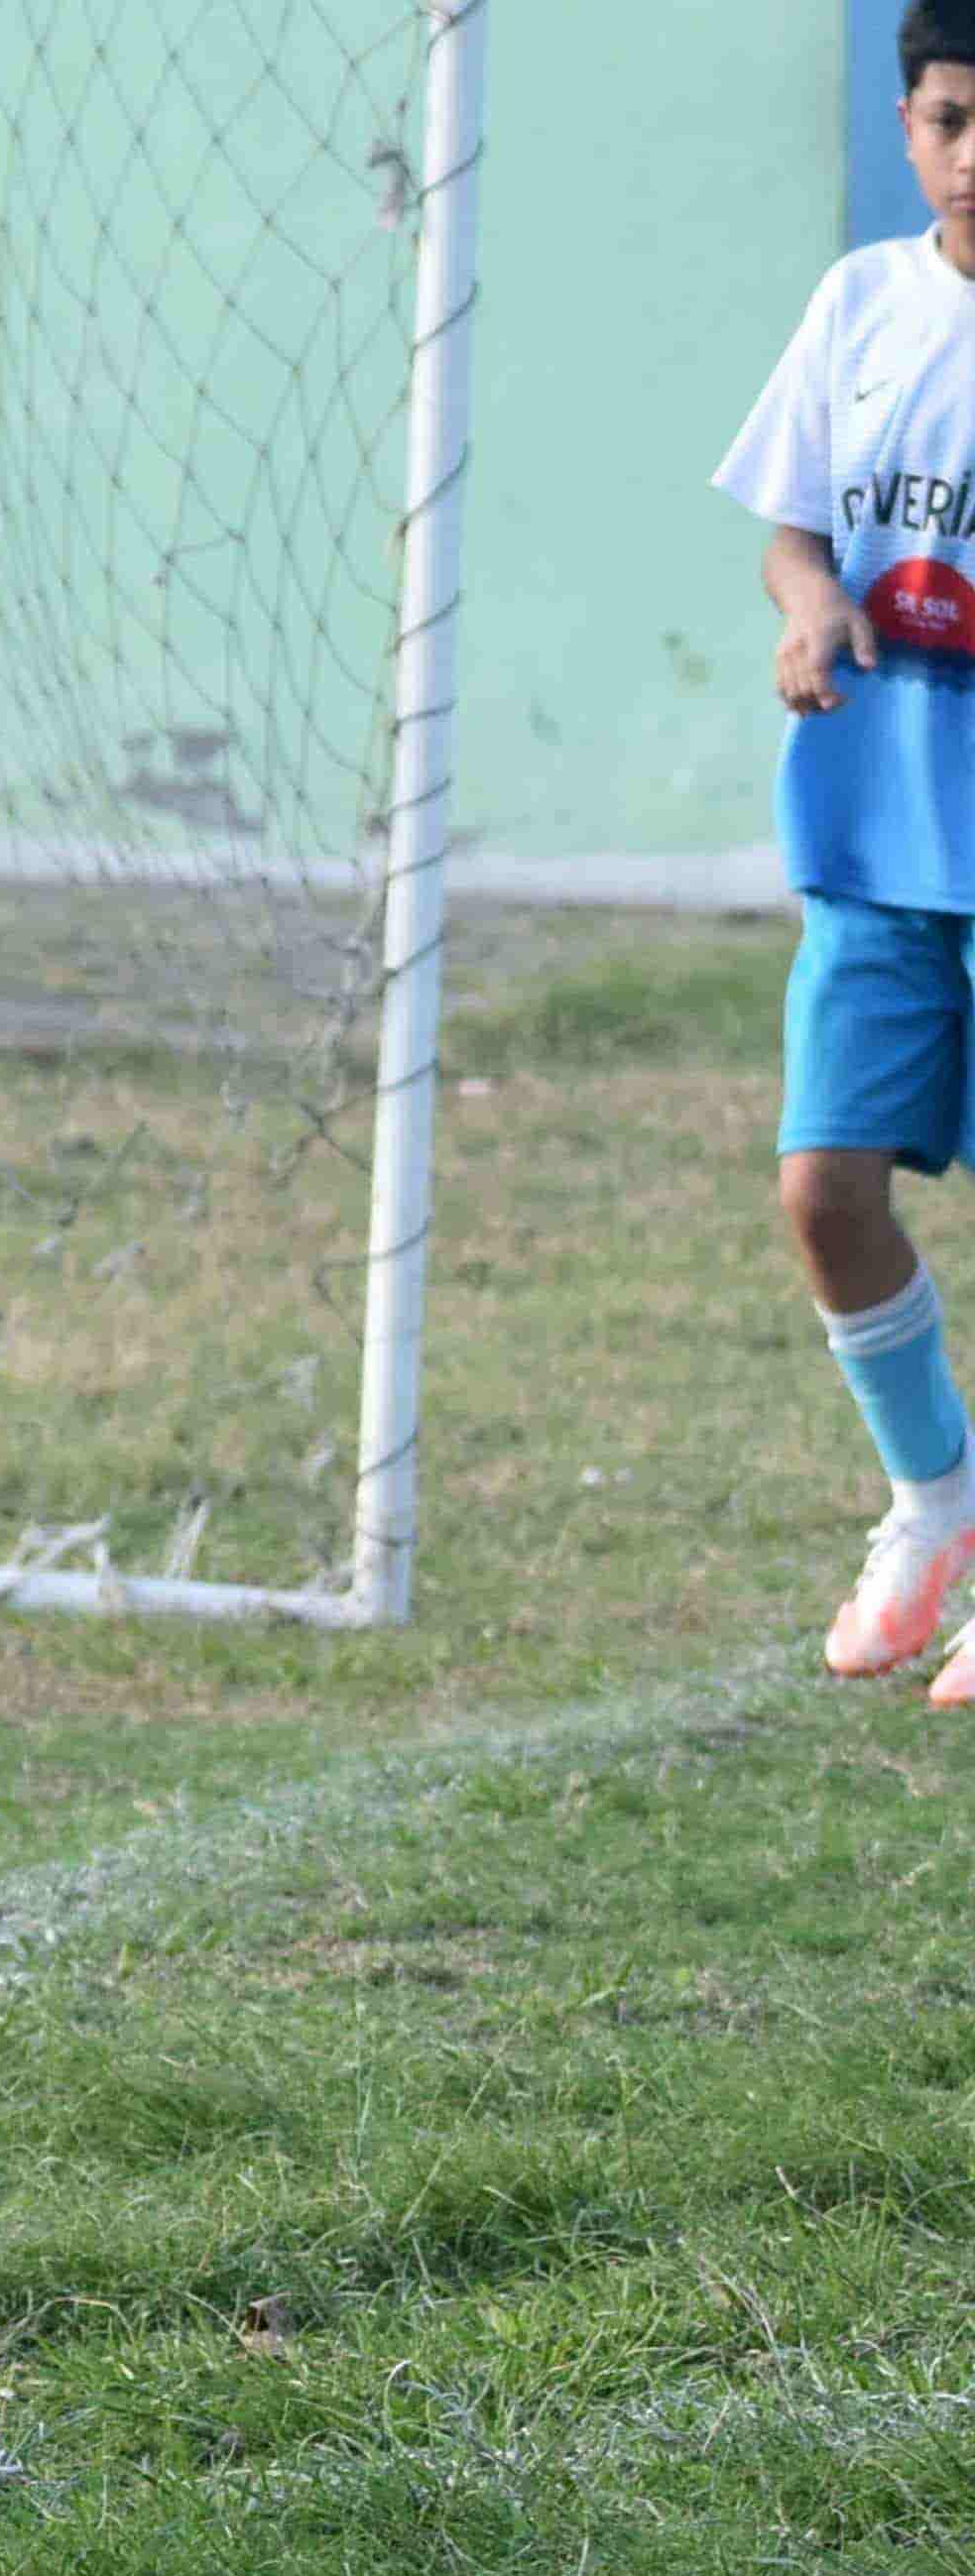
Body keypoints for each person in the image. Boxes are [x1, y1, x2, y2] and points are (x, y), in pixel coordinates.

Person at [720, 0, 975, 1697]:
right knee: (823, 1192)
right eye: (954, 117)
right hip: (879, 826)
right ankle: (937, 1493)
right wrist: (811, 601)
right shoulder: (865, 303)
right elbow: (795, 523)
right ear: (909, 127)